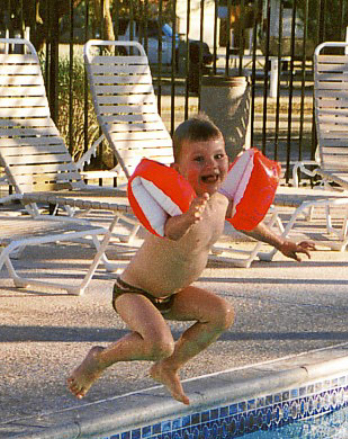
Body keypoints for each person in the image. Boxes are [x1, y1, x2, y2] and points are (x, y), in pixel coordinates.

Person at [67, 115, 314, 404]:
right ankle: (100, 359)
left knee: (222, 314)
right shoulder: (177, 206)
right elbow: (171, 233)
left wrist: (283, 243)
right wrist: (187, 217)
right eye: (199, 159)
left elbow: (247, 222)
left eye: (218, 156)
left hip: (173, 294)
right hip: (134, 292)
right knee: (160, 344)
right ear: (178, 170)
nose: (211, 165)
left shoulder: (221, 201)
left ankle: (169, 367)